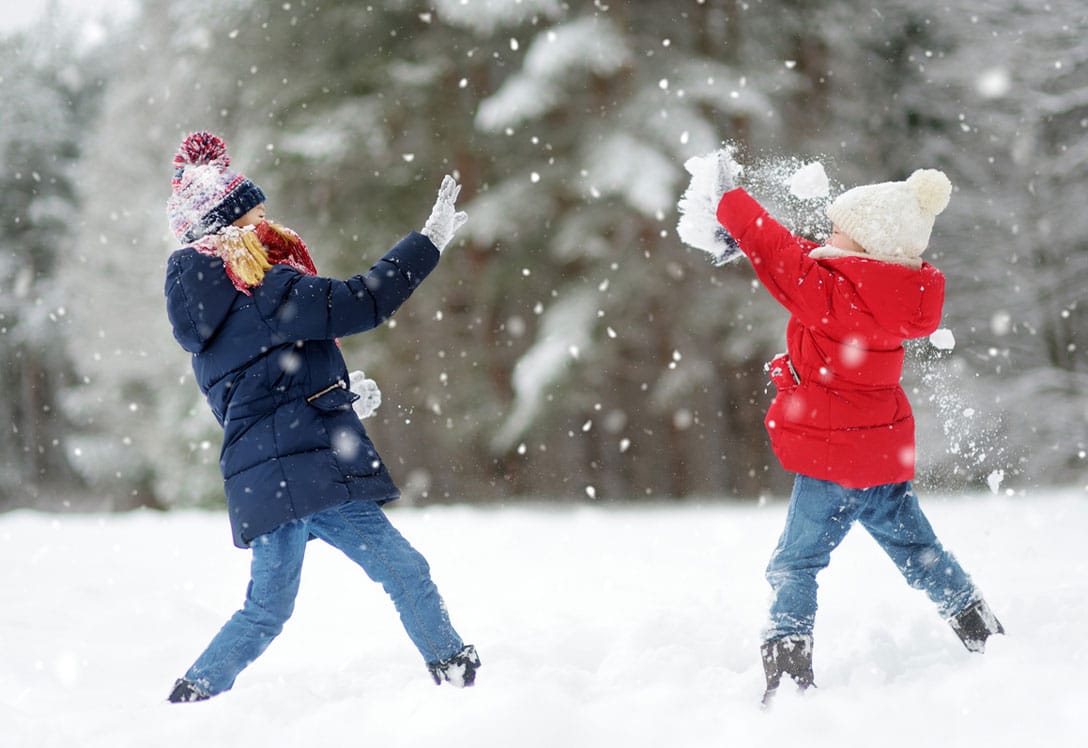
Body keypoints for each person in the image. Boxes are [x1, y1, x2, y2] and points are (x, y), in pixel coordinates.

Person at [677, 148, 1004, 704]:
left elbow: (782, 256)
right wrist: (743, 239)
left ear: (868, 247)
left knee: (795, 563)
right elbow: (808, 257)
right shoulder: (888, 291)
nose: (826, 232)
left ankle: (787, 675)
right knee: (920, 553)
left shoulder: (830, 294)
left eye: (839, 229)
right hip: (881, 459)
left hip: (834, 462)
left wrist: (730, 200)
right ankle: (985, 633)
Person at [162, 131, 479, 702]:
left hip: (266, 479)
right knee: (405, 571)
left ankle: (191, 697)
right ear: (231, 227)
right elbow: (362, 300)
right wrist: (427, 242)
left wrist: (338, 397)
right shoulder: (259, 285)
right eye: (257, 211)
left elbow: (249, 402)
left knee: (265, 610)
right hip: (311, 477)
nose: (268, 219)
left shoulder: (206, 323)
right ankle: (457, 672)